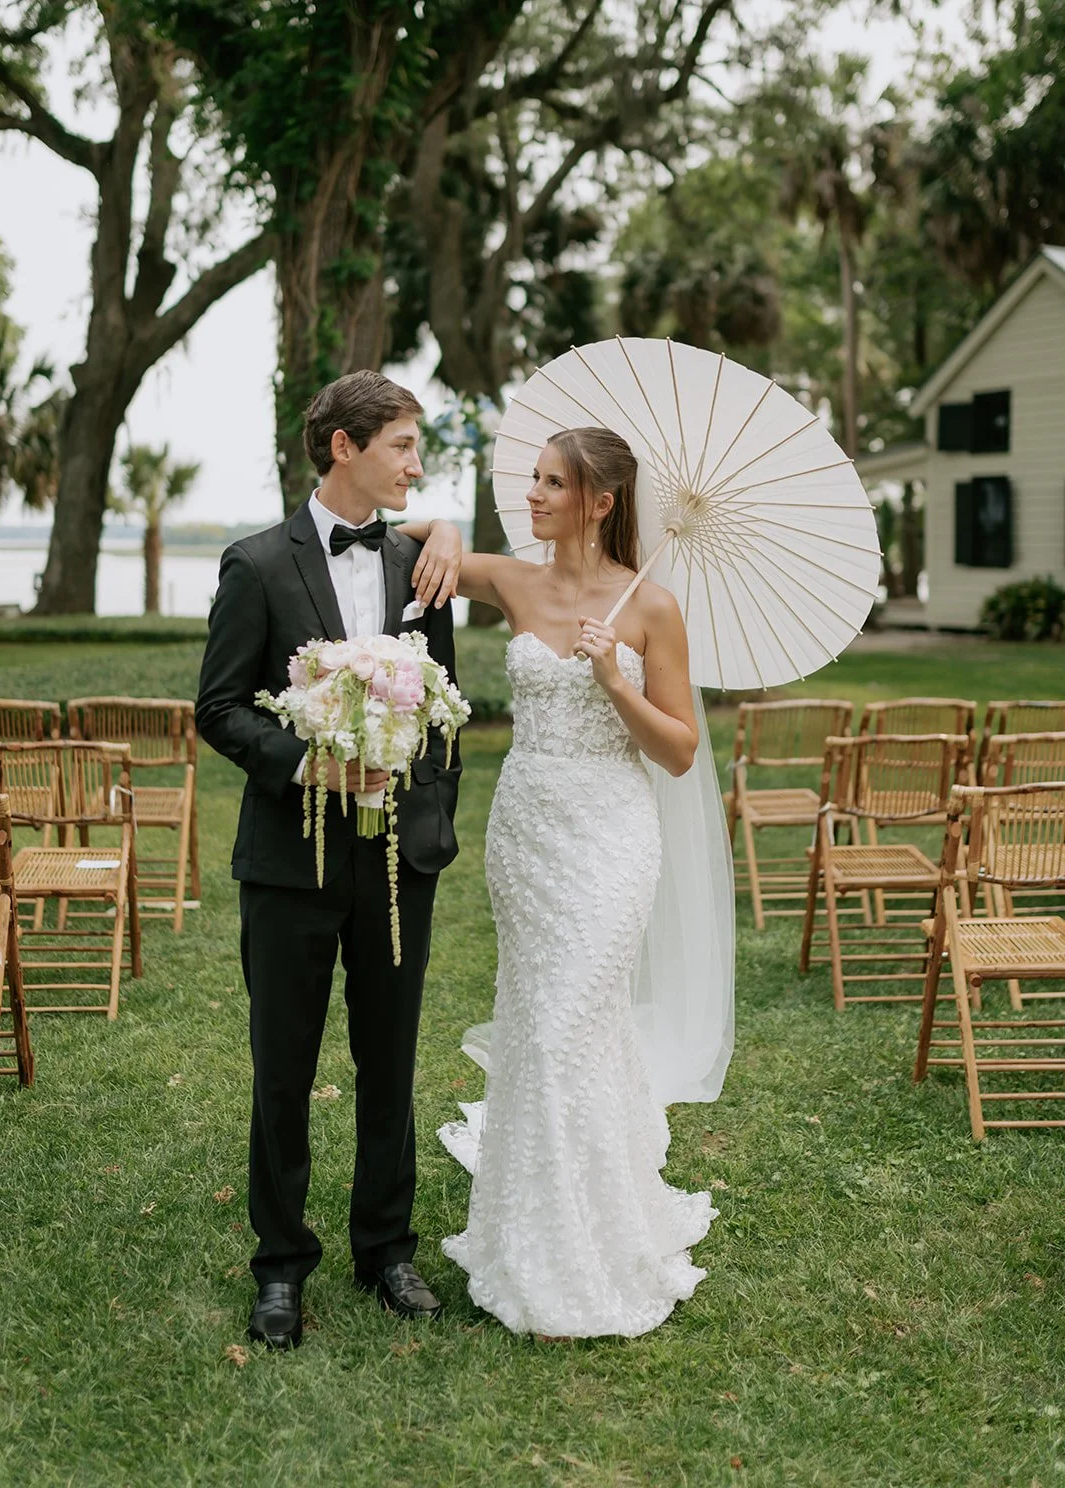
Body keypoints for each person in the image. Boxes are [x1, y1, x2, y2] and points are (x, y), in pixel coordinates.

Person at [410, 426, 735, 1338]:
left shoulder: (652, 607)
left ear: (600, 501)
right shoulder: (514, 581)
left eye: (554, 484)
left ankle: (580, 1247)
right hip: (527, 831)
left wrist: (614, 681)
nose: (535, 495)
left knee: (566, 1022)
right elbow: (399, 540)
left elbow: (679, 752)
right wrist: (442, 527)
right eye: (535, 479)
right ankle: (534, 1224)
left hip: (611, 834)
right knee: (543, 1019)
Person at [196, 371, 464, 1349]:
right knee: (284, 1067)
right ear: (344, 446)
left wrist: (429, 812)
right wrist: (308, 763)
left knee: (389, 1061)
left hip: (398, 860)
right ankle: (279, 1264)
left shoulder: (424, 563)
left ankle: (387, 1248)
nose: (415, 465)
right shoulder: (257, 564)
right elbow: (218, 707)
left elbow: (446, 704)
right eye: (402, 445)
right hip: (289, 859)